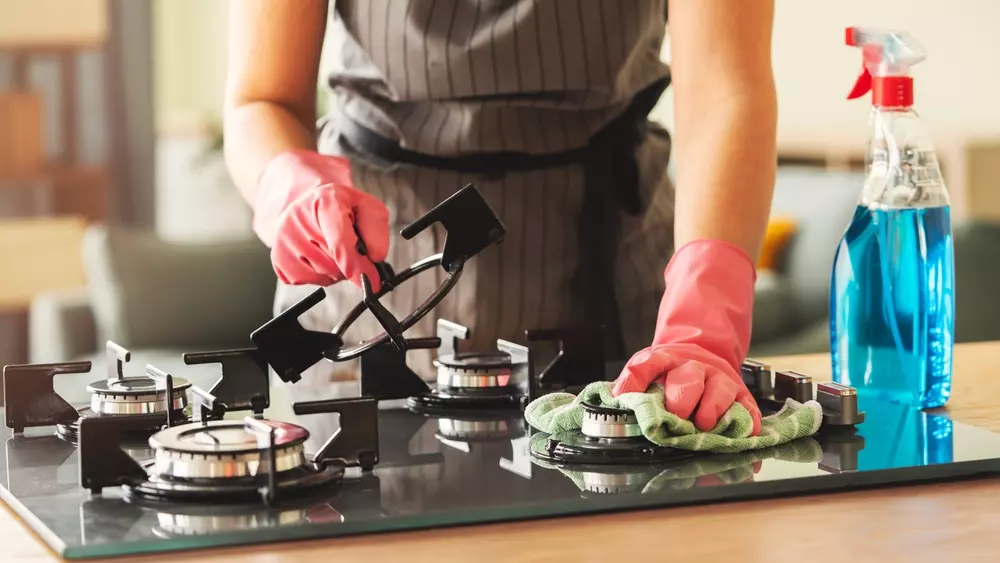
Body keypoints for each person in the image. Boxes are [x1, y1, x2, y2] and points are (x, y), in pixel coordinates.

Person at [223, 0, 776, 435]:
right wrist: (288, 188)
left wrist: (703, 319)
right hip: (366, 303)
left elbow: (727, 90)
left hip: (616, 283)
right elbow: (261, 99)